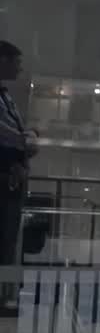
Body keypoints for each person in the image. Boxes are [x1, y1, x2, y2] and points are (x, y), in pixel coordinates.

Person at [0, 41, 38, 317]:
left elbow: (19, 131)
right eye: (16, 62)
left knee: (7, 243)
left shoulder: (6, 97)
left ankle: (2, 300)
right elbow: (7, 133)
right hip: (3, 180)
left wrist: (28, 138)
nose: (19, 68)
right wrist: (24, 142)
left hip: (10, 181)